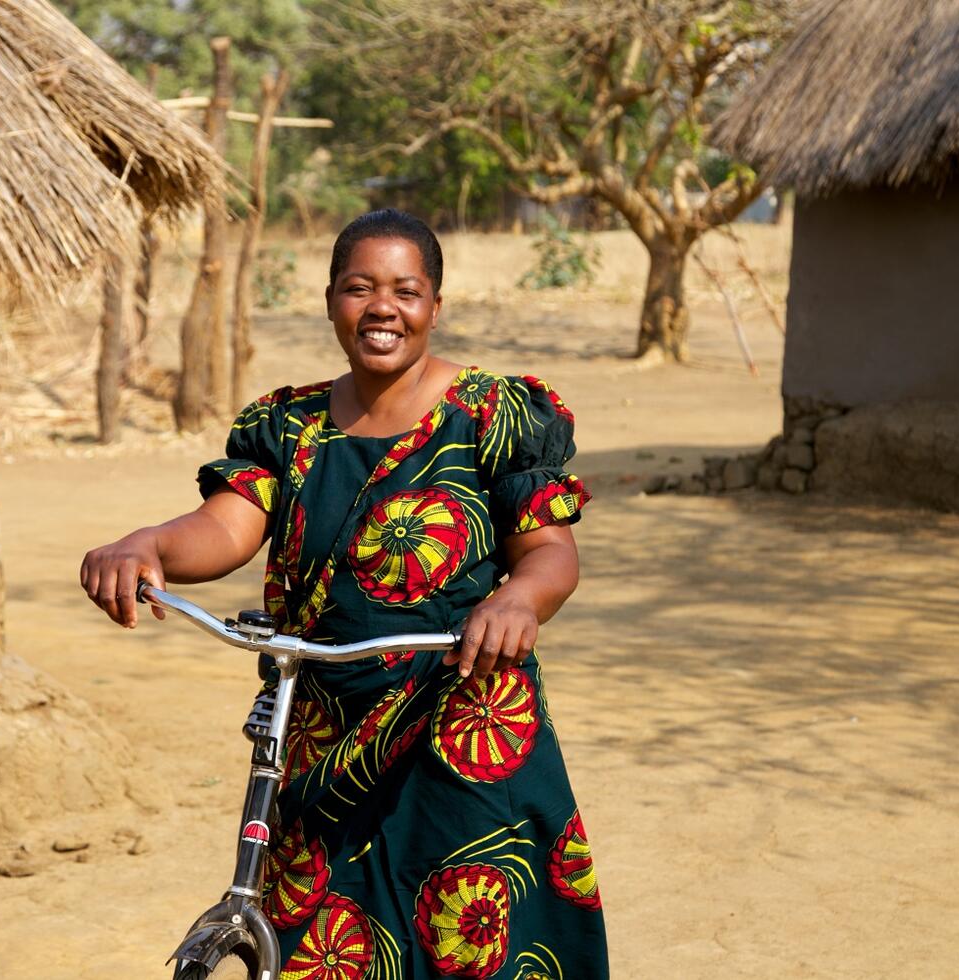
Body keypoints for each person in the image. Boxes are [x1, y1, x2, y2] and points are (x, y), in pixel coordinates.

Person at [81, 209, 609, 978]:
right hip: (321, 732)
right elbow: (226, 526)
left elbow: (548, 552)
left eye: (405, 291)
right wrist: (149, 546)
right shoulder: (286, 425)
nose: (381, 308)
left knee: (471, 945)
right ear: (331, 299)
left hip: (461, 721)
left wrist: (517, 601)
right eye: (359, 288)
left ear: (434, 305)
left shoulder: (492, 416)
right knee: (322, 947)